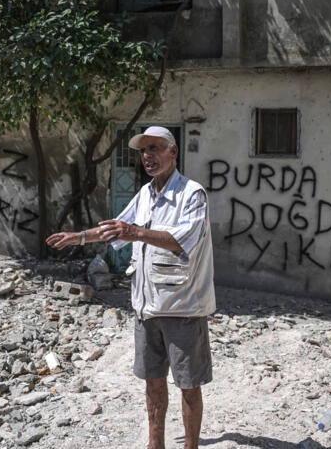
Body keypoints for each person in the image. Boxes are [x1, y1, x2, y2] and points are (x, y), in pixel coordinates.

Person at [46, 126, 215, 449]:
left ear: (173, 152)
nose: (148, 156)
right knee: (152, 382)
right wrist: (78, 237)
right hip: (145, 306)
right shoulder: (145, 194)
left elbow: (182, 240)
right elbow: (116, 229)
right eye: (143, 151)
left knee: (189, 385)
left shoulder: (192, 194)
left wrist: (135, 232)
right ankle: (155, 444)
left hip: (182, 306)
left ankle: (190, 446)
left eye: (155, 148)